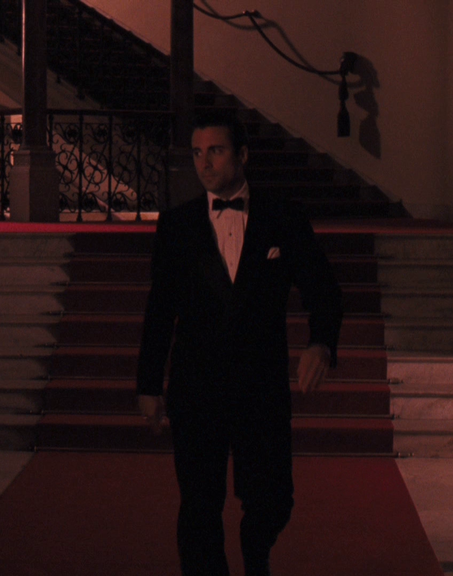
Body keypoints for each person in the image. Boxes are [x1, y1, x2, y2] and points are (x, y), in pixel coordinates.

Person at [136, 110, 343, 576]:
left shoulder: (283, 217)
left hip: (260, 388)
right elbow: (160, 309)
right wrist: (148, 384)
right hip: (196, 387)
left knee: (274, 499)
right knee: (199, 507)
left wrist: (321, 343)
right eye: (197, 153)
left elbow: (323, 290)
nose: (204, 163)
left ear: (243, 154)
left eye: (216, 150)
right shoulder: (176, 225)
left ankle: (256, 551)